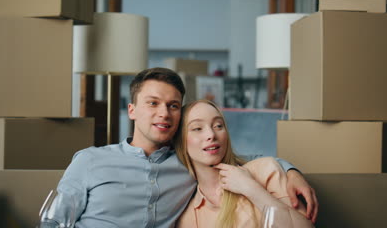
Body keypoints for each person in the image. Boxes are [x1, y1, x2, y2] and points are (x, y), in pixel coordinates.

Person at [52, 68, 317, 227]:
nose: (164, 113)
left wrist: (290, 170)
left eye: (173, 105)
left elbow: (242, 159)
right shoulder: (90, 161)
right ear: (131, 110)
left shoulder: (189, 162)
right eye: (153, 103)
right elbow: (52, 222)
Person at [174, 99, 314, 228]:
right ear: (181, 141)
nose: (211, 134)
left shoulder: (266, 170)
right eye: (197, 128)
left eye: (218, 125)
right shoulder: (188, 215)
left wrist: (251, 188)